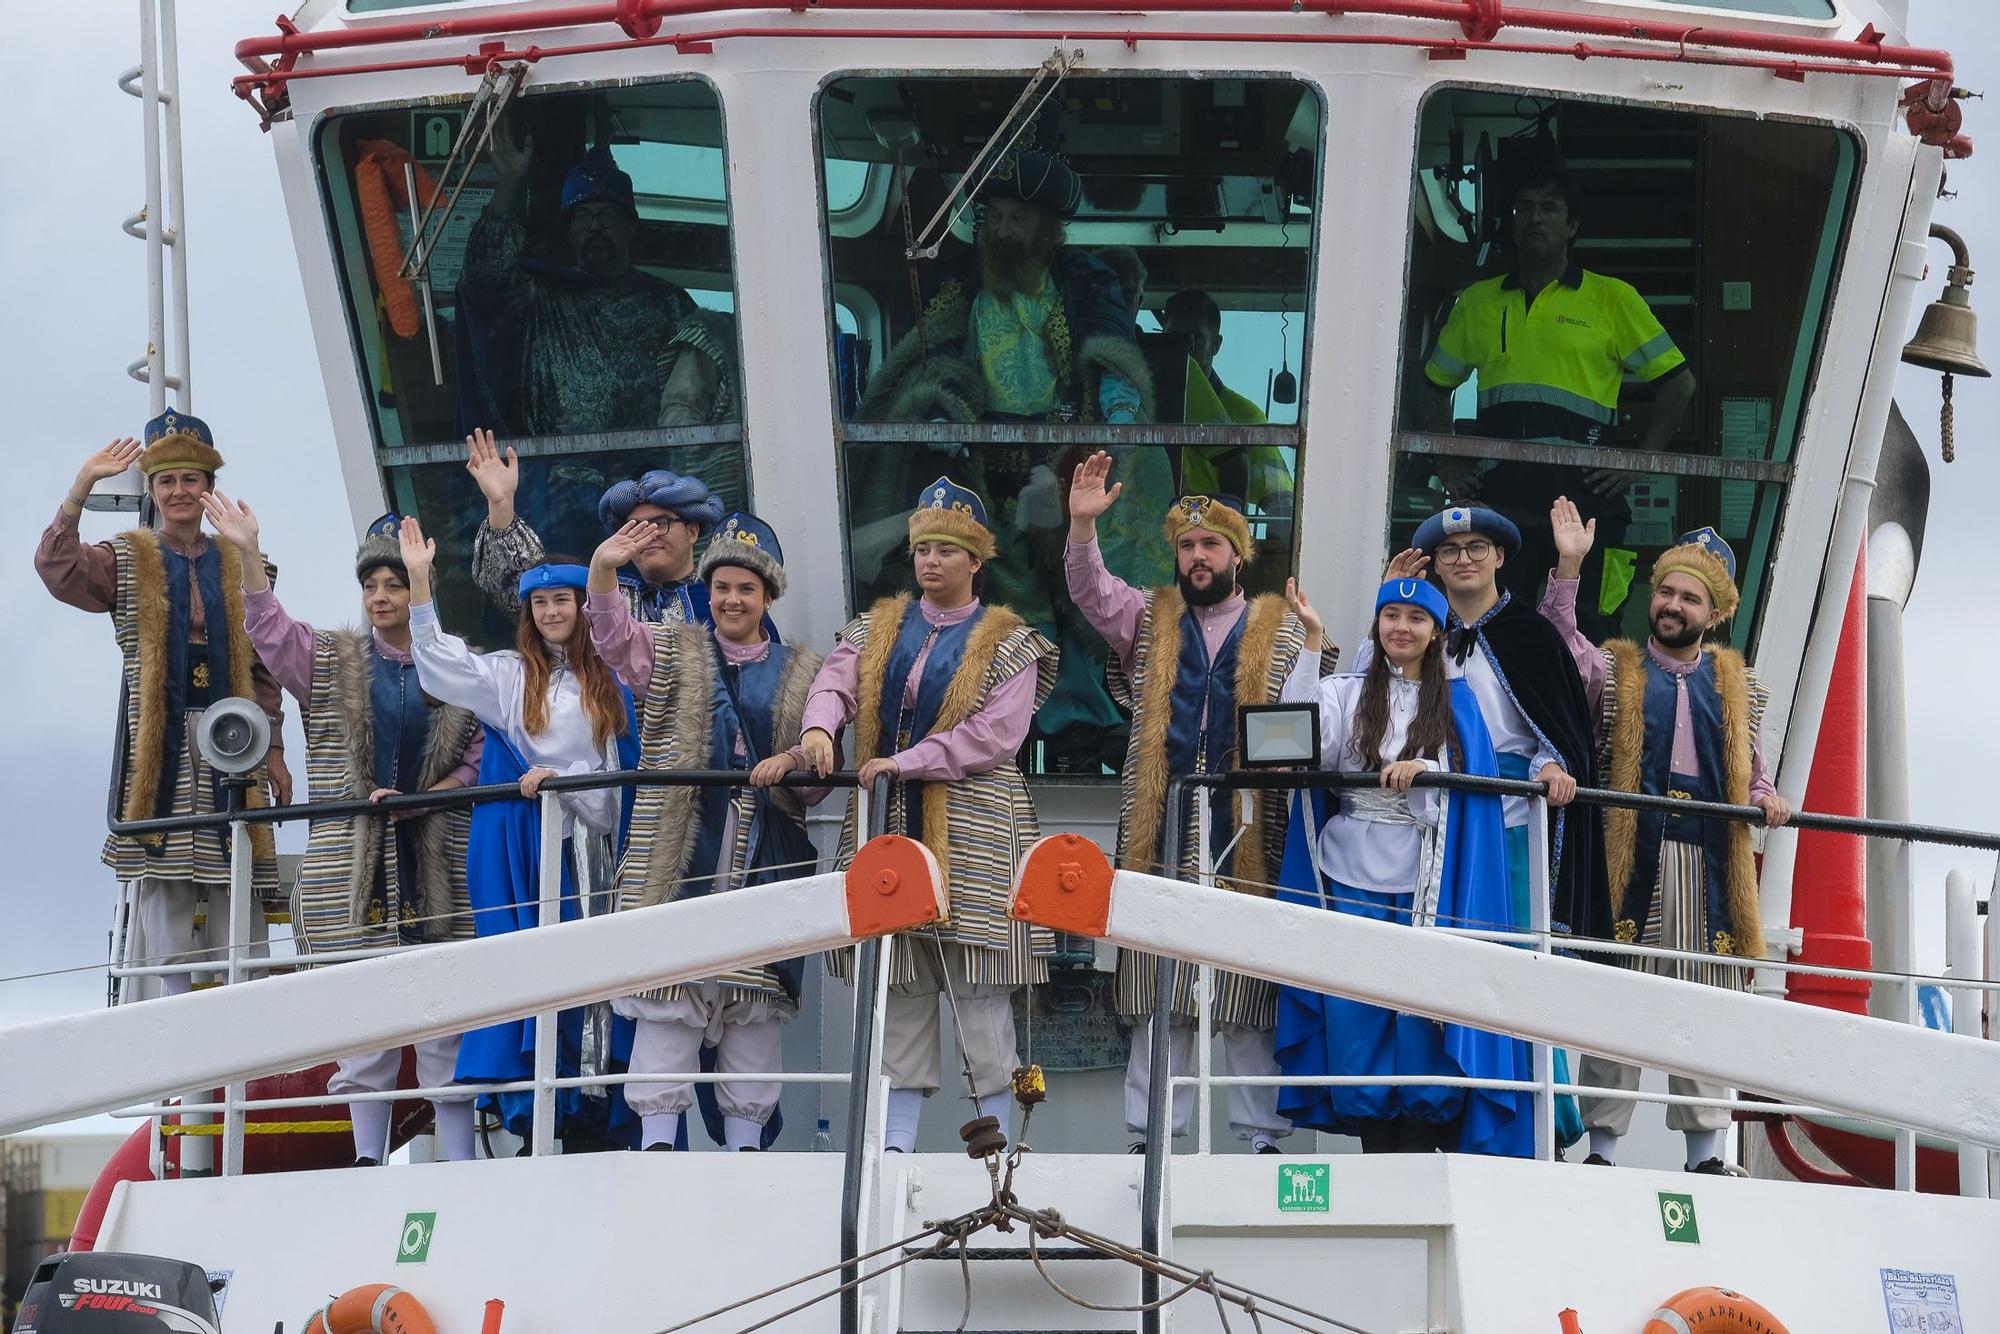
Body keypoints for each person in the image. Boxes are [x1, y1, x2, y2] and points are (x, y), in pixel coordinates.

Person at [207, 501, 485, 1165]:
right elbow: (268, 632)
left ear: (421, 588)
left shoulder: (457, 666)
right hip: (349, 874)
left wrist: (429, 797)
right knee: (363, 1020)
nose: (381, 597)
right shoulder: (327, 658)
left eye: (396, 583)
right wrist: (249, 553)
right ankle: (367, 1162)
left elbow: (480, 754)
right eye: (372, 586)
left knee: (448, 1020)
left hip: (439, 863)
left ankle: (460, 1166)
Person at [1064, 451, 1324, 1153]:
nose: (1198, 556)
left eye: (1212, 544)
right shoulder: (1150, 618)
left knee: (1246, 997)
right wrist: (1083, 528)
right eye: (1187, 545)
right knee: (1158, 995)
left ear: (1239, 555)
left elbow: (1311, 723)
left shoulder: (1281, 624)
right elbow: (1091, 594)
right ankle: (1149, 1140)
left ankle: (1261, 1141)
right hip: (1163, 826)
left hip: (1248, 832)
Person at [796, 478, 1059, 1152]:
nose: (931, 561)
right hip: (888, 825)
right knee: (899, 986)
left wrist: (905, 762)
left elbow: (995, 738)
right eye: (923, 549)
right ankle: (894, 1152)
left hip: (975, 830)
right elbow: (834, 682)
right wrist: (821, 731)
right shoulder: (876, 627)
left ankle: (998, 1153)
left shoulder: (1011, 642)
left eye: (947, 550)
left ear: (977, 561)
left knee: (979, 991)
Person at [1542, 500, 1789, 1175]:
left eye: (1690, 597)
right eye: (1668, 591)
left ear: (1715, 615)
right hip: (1632, 855)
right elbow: (1559, 646)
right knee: (1620, 996)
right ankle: (1603, 1151)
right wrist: (1569, 567)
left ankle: (1706, 1154)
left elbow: (1754, 773)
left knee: (1703, 998)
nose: (1674, 605)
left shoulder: (1740, 687)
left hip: (1707, 860)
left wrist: (1767, 800)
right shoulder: (1613, 667)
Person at [584, 512, 827, 1151]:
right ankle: (658, 1150)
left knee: (753, 1013)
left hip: (763, 861)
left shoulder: (805, 671)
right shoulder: (673, 648)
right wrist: (605, 569)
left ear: (767, 597)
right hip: (675, 859)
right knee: (668, 1005)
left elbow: (814, 788)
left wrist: (798, 764)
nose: (731, 600)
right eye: (721, 587)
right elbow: (611, 637)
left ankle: (744, 1159)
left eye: (746, 589)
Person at [400, 517, 642, 1150]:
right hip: (524, 856)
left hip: (592, 853)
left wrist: (563, 783)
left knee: (593, 986)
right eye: (540, 603)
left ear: (585, 605)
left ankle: (596, 1119)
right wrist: (421, 584)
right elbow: (439, 665)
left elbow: (620, 775)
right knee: (531, 981)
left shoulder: (614, 679)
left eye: (563, 599)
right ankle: (540, 1113)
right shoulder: (511, 676)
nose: (552, 612)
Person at [1272, 578, 1532, 1156]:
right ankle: (1375, 1141)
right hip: (1347, 869)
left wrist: (1427, 766)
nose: (1402, 628)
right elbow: (1299, 737)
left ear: (1437, 630)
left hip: (1425, 878)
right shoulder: (1344, 689)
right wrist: (1312, 643)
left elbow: (1469, 788)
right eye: (1391, 615)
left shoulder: (1460, 703)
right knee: (1355, 1008)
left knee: (1418, 1010)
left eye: (1416, 617)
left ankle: (1419, 1135)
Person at [35, 420, 287, 999]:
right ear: (152, 489)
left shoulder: (247, 560)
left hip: (234, 740)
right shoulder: (126, 556)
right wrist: (80, 487)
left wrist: (273, 749)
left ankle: (241, 1040)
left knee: (236, 883)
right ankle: (170, 1025)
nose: (178, 491)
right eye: (166, 480)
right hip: (161, 743)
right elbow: (58, 568)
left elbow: (267, 666)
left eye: (190, 480)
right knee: (165, 886)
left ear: (208, 487)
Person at [1421, 168, 1697, 635]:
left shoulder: (1613, 299)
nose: (1534, 219)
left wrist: (1638, 461)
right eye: (1524, 208)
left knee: (1580, 641)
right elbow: (1432, 387)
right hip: (1501, 506)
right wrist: (1448, 463)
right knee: (1493, 636)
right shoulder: (1478, 302)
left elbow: (1679, 383)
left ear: (1572, 226)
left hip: (1586, 507)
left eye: (1549, 209)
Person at [1396, 505, 1611, 947]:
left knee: (1514, 935)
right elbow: (1377, 697)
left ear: (1498, 556)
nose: (1463, 559)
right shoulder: (1420, 635)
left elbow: (1561, 725)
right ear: (1435, 565)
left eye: (1476, 548)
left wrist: (1551, 765)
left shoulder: (1534, 636)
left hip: (1513, 807)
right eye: (1450, 551)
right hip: (1436, 805)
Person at [457, 140, 735, 436]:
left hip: (649, 475)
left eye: (608, 215)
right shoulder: (541, 297)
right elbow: (481, 278)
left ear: (630, 228)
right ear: (570, 232)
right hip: (558, 474)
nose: (595, 227)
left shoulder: (669, 304)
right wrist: (510, 182)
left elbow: (698, 390)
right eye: (583, 216)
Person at [860, 150, 1150, 424]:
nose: (1002, 231)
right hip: (975, 454)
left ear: (1046, 225)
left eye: (1018, 218)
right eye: (995, 216)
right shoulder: (958, 280)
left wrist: (1120, 413)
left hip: (1065, 454)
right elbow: (934, 358)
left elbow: (1113, 357)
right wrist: (939, 415)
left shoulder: (1087, 280)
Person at [464, 428, 731, 626]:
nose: (647, 536)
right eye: (635, 526)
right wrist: (501, 505)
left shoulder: (724, 598)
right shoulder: (607, 598)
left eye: (660, 524)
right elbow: (525, 590)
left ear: (692, 531)